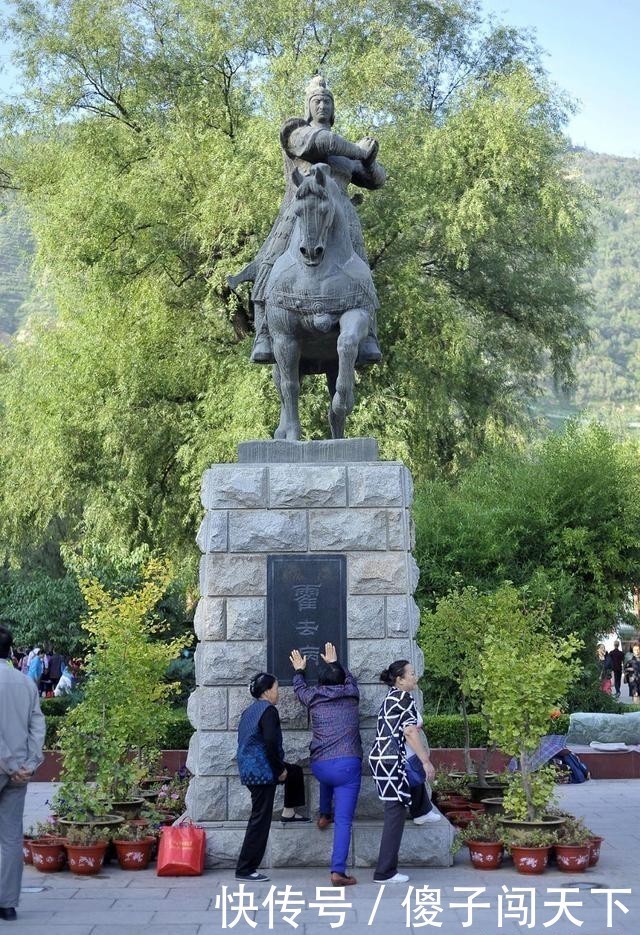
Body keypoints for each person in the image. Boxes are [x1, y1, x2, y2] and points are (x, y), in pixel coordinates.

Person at [229, 74, 386, 366]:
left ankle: (369, 336)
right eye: (317, 101)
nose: (323, 105)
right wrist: (359, 150)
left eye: (327, 101)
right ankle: (264, 331)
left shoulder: (344, 153)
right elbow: (320, 143)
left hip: (341, 216)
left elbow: (376, 180)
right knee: (270, 260)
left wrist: (369, 160)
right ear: (308, 106)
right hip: (301, 209)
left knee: (361, 268)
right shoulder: (297, 133)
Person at [290, 642, 362, 886]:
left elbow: (299, 689)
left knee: (328, 774)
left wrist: (299, 670)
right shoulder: (351, 695)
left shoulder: (314, 698)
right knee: (344, 821)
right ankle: (338, 871)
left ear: (320, 682)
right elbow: (350, 680)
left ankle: (323, 814)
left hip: (321, 766)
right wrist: (336, 664)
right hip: (348, 765)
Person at [368, 660, 437, 884]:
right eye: (412, 674)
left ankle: (421, 810)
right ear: (400, 679)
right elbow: (409, 731)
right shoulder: (404, 699)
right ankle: (385, 872)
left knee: (412, 773)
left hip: (387, 760)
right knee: (395, 815)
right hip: (391, 764)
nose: (415, 677)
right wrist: (426, 760)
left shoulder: (392, 697)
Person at [235, 672, 308, 882]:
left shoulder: (249, 711)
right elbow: (269, 743)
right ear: (267, 691)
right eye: (276, 688)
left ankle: (289, 812)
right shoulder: (269, 711)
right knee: (260, 819)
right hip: (262, 771)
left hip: (250, 768)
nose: (278, 692)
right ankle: (246, 868)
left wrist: (283, 769)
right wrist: (278, 770)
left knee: (294, 771)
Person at [0, 624, 46, 921]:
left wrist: (7, 764)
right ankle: (7, 903)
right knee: (11, 837)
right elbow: (37, 726)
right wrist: (28, 764)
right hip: (19, 773)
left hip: (7, 766)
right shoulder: (25, 682)